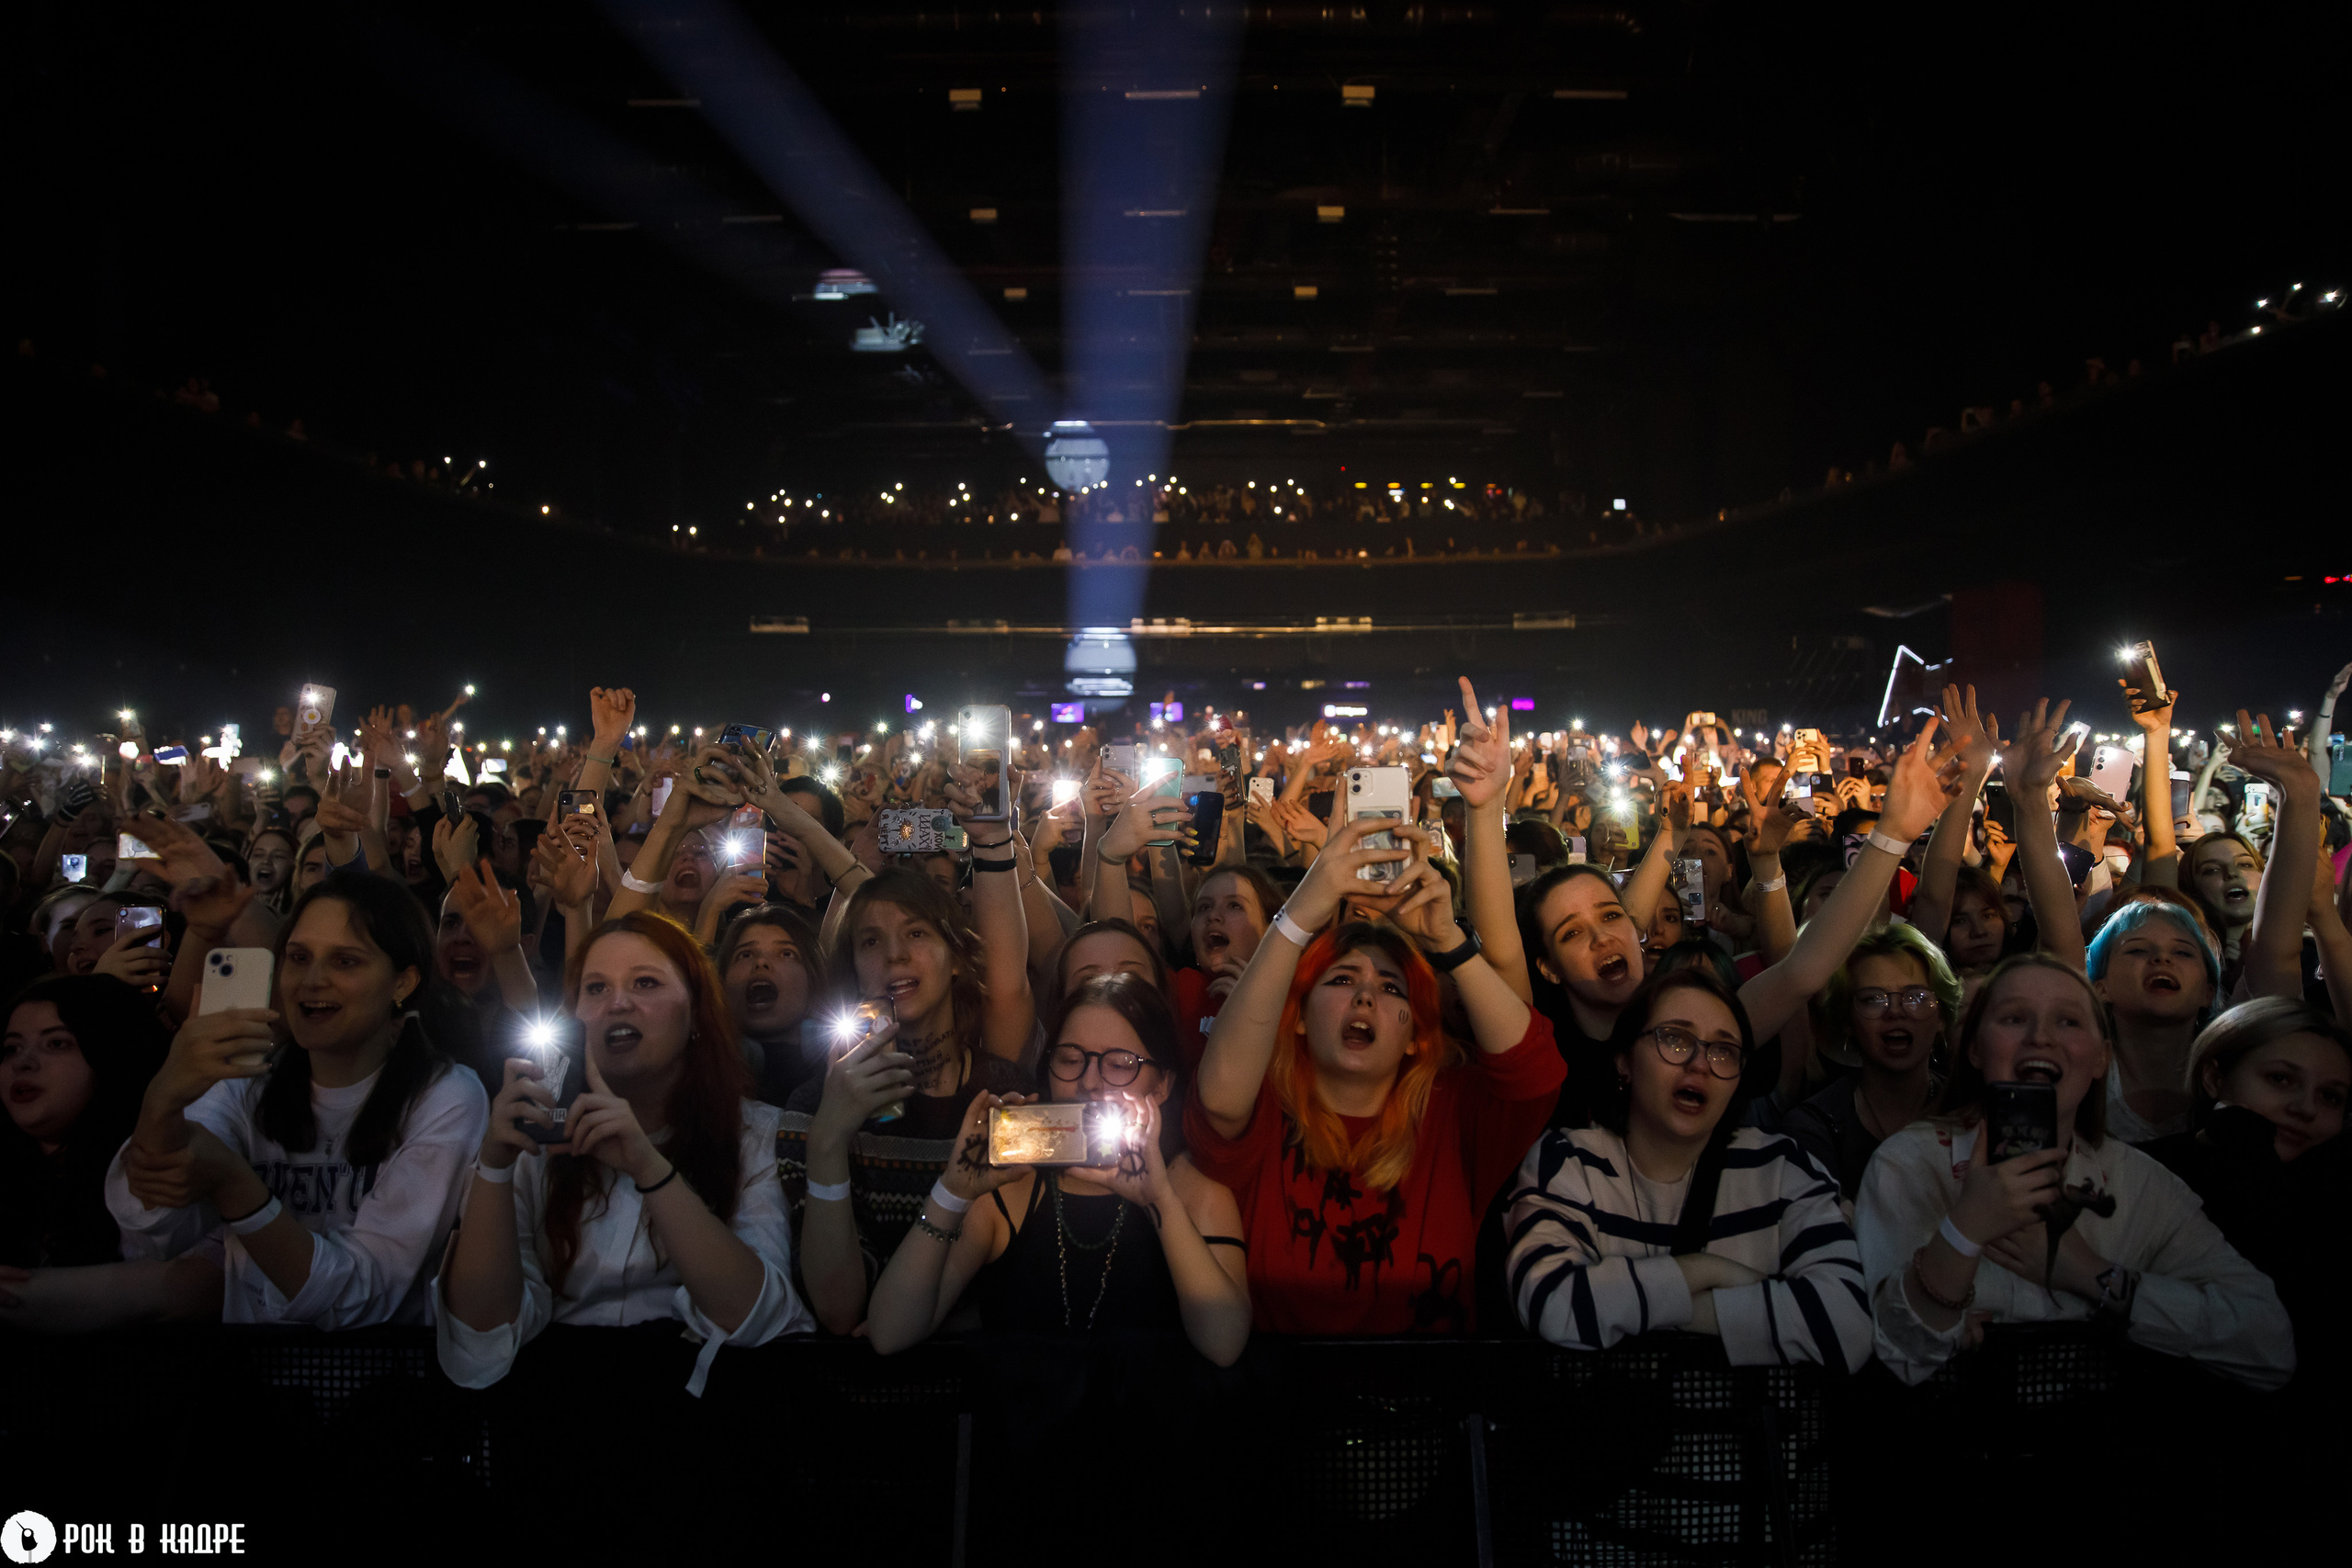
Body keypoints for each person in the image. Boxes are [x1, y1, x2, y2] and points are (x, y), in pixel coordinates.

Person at [1185, 820, 1565, 1334]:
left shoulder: (1453, 1114)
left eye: (1391, 989)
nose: (1366, 997)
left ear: (1415, 1035)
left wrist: (1447, 938)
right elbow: (1218, 1099)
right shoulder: (1265, 1115)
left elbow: (1535, 1070)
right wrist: (1296, 917)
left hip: (1426, 1407)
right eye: (1342, 980)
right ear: (1296, 1017)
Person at [1854, 953, 2293, 1391]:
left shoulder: (2138, 1183)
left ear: (2102, 1059)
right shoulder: (1909, 1165)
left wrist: (2087, 1273)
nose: (2040, 1037)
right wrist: (1964, 1230)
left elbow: (2269, 1345)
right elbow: (1890, 1363)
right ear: (1974, 1048)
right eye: (2013, 1018)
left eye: (2068, 1022)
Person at [438, 910, 811, 1394]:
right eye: (595, 989)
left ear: (696, 1011)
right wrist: (493, 1165)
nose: (618, 1004)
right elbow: (479, 1334)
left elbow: (756, 1315)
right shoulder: (538, 1136)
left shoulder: (756, 1132)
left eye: (646, 983)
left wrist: (647, 1166)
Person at [105, 873, 490, 1326]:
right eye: (298, 957)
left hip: (386, 1381)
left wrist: (235, 1186)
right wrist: (164, 1098)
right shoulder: (244, 1084)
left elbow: (359, 1294)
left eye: (345, 962)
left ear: (402, 983)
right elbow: (153, 1232)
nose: (312, 980)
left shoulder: (446, 1096)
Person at [866, 973, 1250, 1363]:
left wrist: (1161, 1202)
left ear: (1163, 1086)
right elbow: (889, 1332)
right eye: (1069, 1059)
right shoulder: (1011, 1189)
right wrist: (953, 1190)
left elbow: (1224, 1343)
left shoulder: (1198, 1194)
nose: (1089, 1081)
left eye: (1119, 1064)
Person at [1505, 968, 1870, 1368]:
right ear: (1623, 1060)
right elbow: (1551, 1303)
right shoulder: (1568, 1163)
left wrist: (1640, 1312)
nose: (1700, 1064)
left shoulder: (1783, 1169)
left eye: (1723, 1051)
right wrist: (1710, 1271)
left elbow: (1848, 1325)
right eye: (1675, 1040)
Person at [786, 842, 1036, 1335]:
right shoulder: (813, 1105)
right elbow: (838, 1311)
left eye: (917, 933)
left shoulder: (1002, 1094)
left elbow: (1018, 1278)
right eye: (871, 942)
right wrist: (830, 1138)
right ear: (854, 969)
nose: (896, 955)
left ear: (957, 958)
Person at [2143, 998, 2350, 1394]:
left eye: (2330, 1097)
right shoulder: (2148, 1171)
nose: (2305, 1108)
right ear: (2214, 1078)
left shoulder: (2336, 1194)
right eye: (2280, 1079)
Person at [0, 975, 221, 1330]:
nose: (22, 1063)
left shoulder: (164, 1161)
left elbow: (195, 1287)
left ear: (111, 1055)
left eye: (56, 1044)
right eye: (11, 1048)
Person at [1782, 925, 1963, 1199]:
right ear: (1847, 1021)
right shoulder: (1814, 1127)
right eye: (1873, 999)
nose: (1895, 1012)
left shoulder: (1968, 1112)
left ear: (1940, 1016)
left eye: (1915, 997)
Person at [2084, 897, 2222, 1144]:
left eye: (2182, 952)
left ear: (2208, 991)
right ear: (2100, 988)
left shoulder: (2230, 1074)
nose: (2162, 959)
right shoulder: (2082, 1072)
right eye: (2137, 950)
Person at [717, 903, 826, 1106]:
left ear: (813, 981)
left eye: (786, 953)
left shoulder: (840, 1075)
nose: (761, 963)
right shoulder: (699, 1077)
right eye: (746, 955)